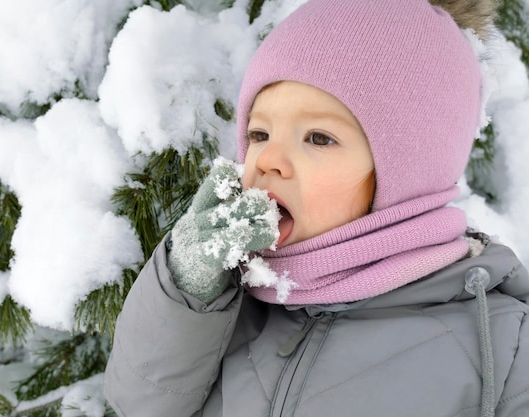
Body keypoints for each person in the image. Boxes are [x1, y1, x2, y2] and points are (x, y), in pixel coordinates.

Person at [104, 0, 529, 416]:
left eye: (318, 138)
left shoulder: (502, 347)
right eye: (259, 133)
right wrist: (188, 288)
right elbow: (141, 403)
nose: (268, 160)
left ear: (408, 172)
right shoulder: (227, 304)